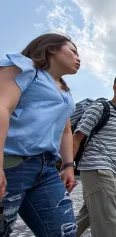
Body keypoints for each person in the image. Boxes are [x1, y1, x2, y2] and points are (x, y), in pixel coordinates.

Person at [0, 33, 80, 236]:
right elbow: (3, 106)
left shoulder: (65, 92)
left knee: (64, 232)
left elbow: (65, 130)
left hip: (46, 170)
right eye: (73, 51)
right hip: (11, 164)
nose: (79, 58)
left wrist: (68, 164)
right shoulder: (26, 68)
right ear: (51, 48)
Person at [72, 74, 116, 237]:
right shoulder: (100, 108)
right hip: (98, 169)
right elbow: (77, 137)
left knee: (87, 215)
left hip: (109, 172)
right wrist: (67, 167)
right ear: (115, 88)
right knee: (109, 220)